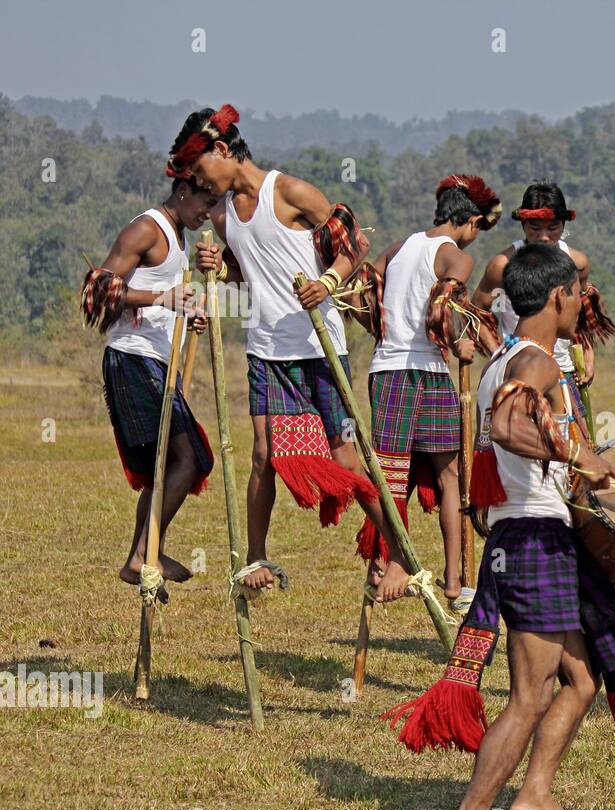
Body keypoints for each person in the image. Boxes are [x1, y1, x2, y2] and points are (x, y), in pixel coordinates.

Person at [384, 244, 615, 810]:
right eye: (577, 291)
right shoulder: (537, 360)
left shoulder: (508, 355)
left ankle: (533, 794)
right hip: (534, 541)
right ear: (555, 296)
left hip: (533, 535)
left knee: (582, 681)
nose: (582, 301)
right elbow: (510, 425)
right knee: (528, 695)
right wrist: (578, 457)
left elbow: (507, 431)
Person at [171, 104, 413, 603]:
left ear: (222, 150)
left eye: (200, 171)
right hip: (266, 351)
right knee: (262, 455)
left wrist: (327, 283)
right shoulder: (220, 215)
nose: (201, 183)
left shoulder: (290, 192)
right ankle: (255, 559)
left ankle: (397, 553)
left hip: (318, 348)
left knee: (345, 453)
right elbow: (246, 273)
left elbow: (356, 245)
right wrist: (218, 263)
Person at [346, 174, 502, 605]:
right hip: (428, 374)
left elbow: (359, 293)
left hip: (388, 370)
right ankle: (443, 579)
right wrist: (459, 343)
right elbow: (444, 313)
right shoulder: (457, 258)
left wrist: (381, 331)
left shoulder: (398, 247)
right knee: (450, 477)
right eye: (478, 231)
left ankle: (392, 563)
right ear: (470, 220)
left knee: (391, 474)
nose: (474, 240)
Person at [82, 176, 220, 587]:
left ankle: (142, 554)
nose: (206, 213)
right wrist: (163, 299)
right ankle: (145, 553)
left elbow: (163, 296)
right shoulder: (147, 228)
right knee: (188, 458)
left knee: (170, 462)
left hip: (158, 361)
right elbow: (98, 287)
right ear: (183, 191)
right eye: (204, 201)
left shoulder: (177, 240)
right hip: (132, 358)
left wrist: (186, 312)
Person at [470, 182, 615, 433]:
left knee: (575, 456)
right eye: (535, 228)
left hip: (564, 371)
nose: (544, 236)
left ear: (564, 225)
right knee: (514, 442)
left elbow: (580, 311)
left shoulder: (577, 264)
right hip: (518, 369)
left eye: (553, 228)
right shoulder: (502, 265)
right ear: (523, 225)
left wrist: (588, 354)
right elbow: (475, 311)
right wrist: (499, 352)